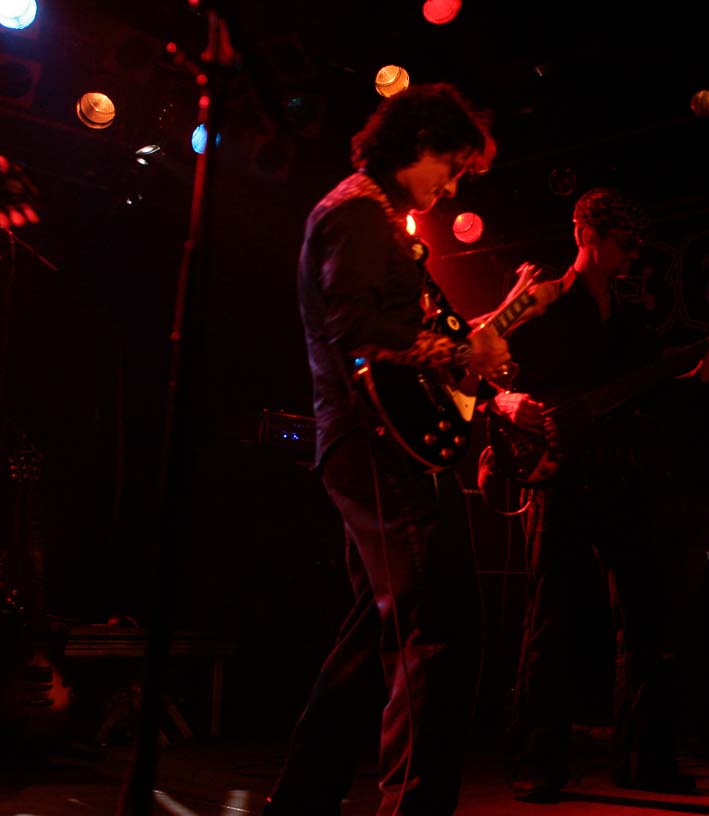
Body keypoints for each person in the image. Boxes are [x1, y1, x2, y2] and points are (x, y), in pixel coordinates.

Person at [263, 82, 509, 816]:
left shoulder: (371, 216)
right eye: (453, 167)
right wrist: (458, 354)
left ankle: (303, 797)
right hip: (377, 444)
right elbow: (360, 333)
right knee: (440, 632)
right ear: (421, 143)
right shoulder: (356, 214)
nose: (453, 186)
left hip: (379, 441)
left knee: (378, 627)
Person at [485, 187, 709, 800]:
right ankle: (536, 762)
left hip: (622, 477)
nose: (633, 255)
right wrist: (509, 402)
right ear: (584, 235)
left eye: (637, 245)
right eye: (623, 243)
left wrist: (706, 371)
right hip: (558, 474)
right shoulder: (539, 301)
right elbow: (479, 363)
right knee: (552, 617)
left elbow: (658, 400)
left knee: (647, 617)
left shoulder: (631, 322)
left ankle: (643, 759)